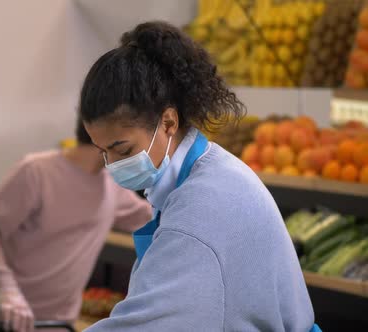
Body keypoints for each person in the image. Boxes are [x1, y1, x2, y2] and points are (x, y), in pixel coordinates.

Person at [78, 21, 318, 331]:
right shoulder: (206, 173)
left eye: (122, 150)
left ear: (168, 122)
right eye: (103, 152)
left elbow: (151, 325)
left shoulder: (204, 207)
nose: (112, 165)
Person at [0, 117, 152, 332]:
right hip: (4, 320)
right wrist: (6, 290)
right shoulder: (36, 171)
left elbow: (150, 218)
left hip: (58, 325)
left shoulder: (112, 186)